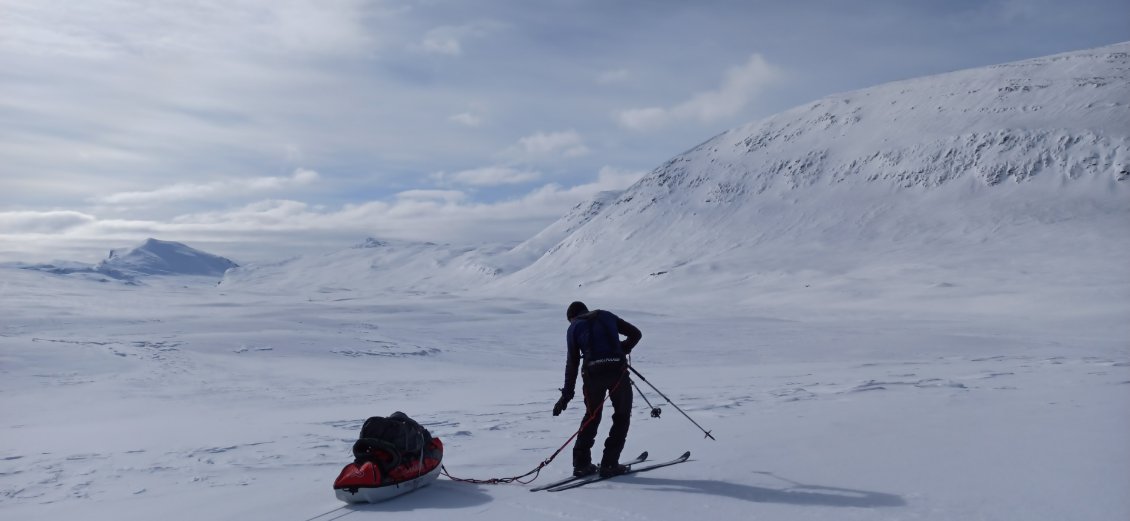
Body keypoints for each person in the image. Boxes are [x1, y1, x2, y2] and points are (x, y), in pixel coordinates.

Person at [552, 301, 642, 478]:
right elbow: (636, 334)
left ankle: (581, 464)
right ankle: (609, 464)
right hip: (618, 372)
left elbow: (572, 363)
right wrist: (621, 349)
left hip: (593, 374)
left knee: (592, 416)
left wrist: (566, 396)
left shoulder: (574, 327)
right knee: (622, 416)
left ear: (572, 317)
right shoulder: (606, 315)